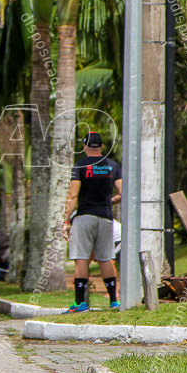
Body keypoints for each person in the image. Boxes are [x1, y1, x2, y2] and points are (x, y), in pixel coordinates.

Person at [62, 131, 123, 313]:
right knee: (105, 258)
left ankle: (80, 303)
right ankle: (114, 301)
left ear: (84, 147)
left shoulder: (80, 166)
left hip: (84, 216)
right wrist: (108, 201)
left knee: (81, 258)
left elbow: (73, 195)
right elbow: (121, 192)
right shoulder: (113, 166)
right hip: (106, 218)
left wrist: (66, 220)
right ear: (102, 147)